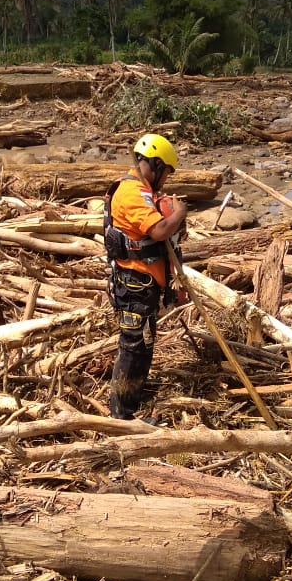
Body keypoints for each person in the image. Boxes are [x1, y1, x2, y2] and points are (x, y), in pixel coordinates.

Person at [103, 133, 188, 421]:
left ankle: (133, 396)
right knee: (133, 347)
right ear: (153, 164)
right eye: (165, 172)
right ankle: (122, 416)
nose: (165, 180)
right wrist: (179, 213)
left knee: (143, 344)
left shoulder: (144, 192)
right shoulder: (131, 193)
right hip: (133, 284)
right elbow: (160, 231)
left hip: (144, 284)